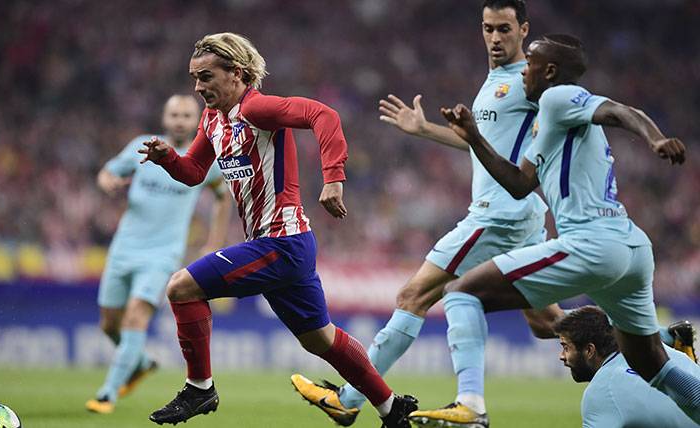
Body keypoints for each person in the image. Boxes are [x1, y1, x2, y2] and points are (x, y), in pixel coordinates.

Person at [293, 2, 562, 426]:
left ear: (524, 29)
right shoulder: (496, 80)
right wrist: (425, 130)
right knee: (547, 323)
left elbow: (566, 108)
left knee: (413, 296)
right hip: (520, 216)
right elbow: (483, 143)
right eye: (488, 28)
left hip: (497, 216)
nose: (495, 38)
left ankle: (350, 398)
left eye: (504, 29)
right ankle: (657, 344)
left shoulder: (530, 79)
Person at [139, 32, 417, 427]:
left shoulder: (257, 108)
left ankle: (200, 388)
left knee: (181, 287)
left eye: (206, 77)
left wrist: (333, 178)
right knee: (319, 338)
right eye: (195, 78)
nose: (198, 87)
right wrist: (169, 158)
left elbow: (323, 115)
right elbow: (194, 172)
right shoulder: (213, 119)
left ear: (236, 73)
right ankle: (392, 409)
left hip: (282, 242)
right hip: (284, 246)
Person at [427, 33, 699, 425]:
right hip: (631, 248)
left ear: (550, 71)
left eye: (530, 63)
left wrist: (655, 139)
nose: (523, 71)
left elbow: (619, 110)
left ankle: (471, 405)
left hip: (591, 241)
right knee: (651, 363)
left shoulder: (559, 97)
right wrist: (474, 138)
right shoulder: (550, 120)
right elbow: (519, 183)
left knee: (461, 293)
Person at [85, 95, 231, 414]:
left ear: (196, 121)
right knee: (109, 324)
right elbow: (108, 171)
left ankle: (107, 393)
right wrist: (109, 182)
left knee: (135, 316)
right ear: (165, 118)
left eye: (186, 115)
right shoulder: (142, 146)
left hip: (163, 255)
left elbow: (223, 196)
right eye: (174, 115)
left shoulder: (204, 159)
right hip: (124, 249)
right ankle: (139, 362)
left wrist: (214, 241)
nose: (180, 121)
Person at [554, 306, 699, 428]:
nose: (561, 356)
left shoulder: (602, 390)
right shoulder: (670, 355)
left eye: (566, 347)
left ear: (589, 350)